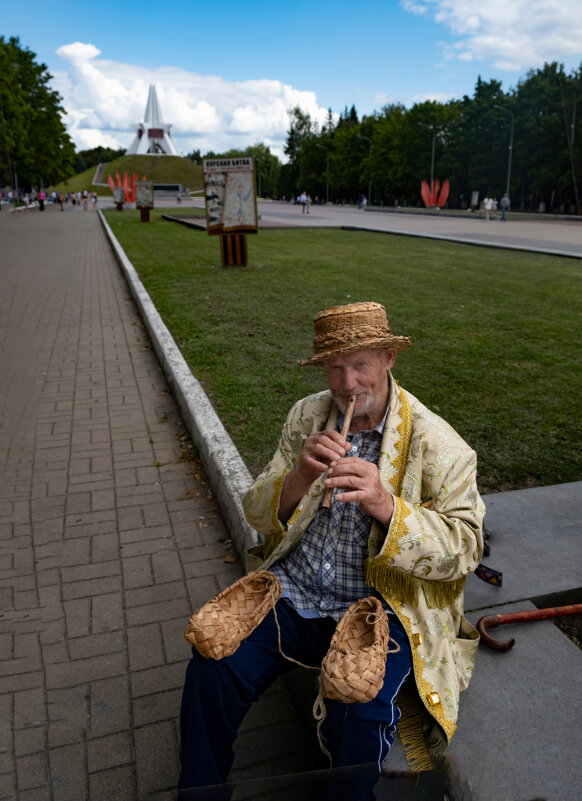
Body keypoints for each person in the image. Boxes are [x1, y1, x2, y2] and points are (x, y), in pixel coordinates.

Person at [178, 301, 485, 800]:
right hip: (295, 590)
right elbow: (256, 510)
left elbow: (466, 547)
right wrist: (299, 476)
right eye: (335, 367)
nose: (347, 384)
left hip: (379, 608)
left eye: (361, 364)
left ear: (389, 359)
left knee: (359, 716)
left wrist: (389, 506)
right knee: (213, 667)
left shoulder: (439, 444)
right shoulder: (307, 414)